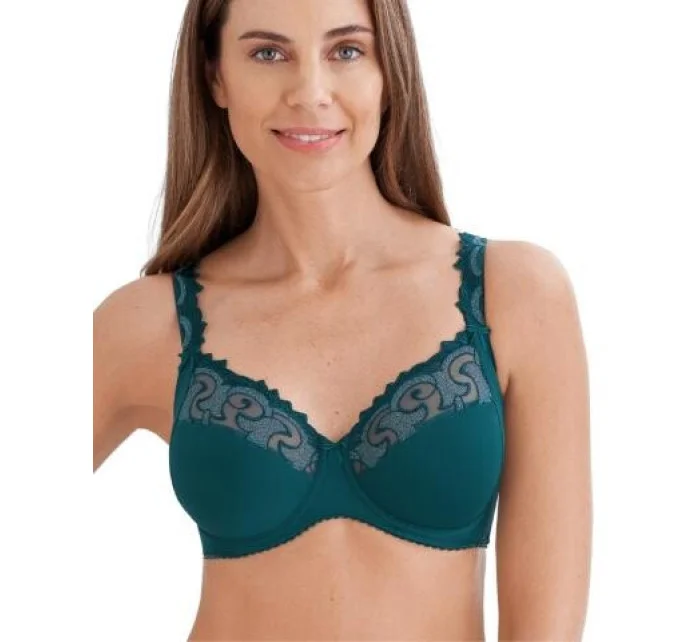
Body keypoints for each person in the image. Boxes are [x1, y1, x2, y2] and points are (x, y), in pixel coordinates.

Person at [93, 0, 592, 639]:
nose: (310, 92)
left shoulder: (513, 294)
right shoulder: (150, 323)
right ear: (215, 75)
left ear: (390, 72)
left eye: (346, 51)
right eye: (268, 53)